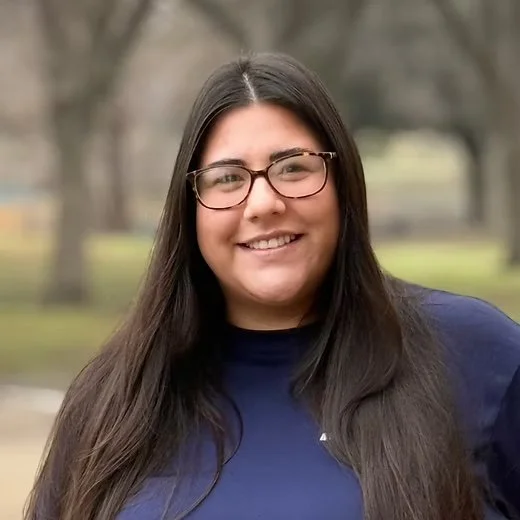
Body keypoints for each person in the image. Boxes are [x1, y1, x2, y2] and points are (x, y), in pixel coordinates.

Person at [25, 52, 520, 520]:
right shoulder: (114, 400)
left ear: (343, 184)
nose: (263, 203)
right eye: (227, 179)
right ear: (190, 210)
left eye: (294, 168)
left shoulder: (475, 356)